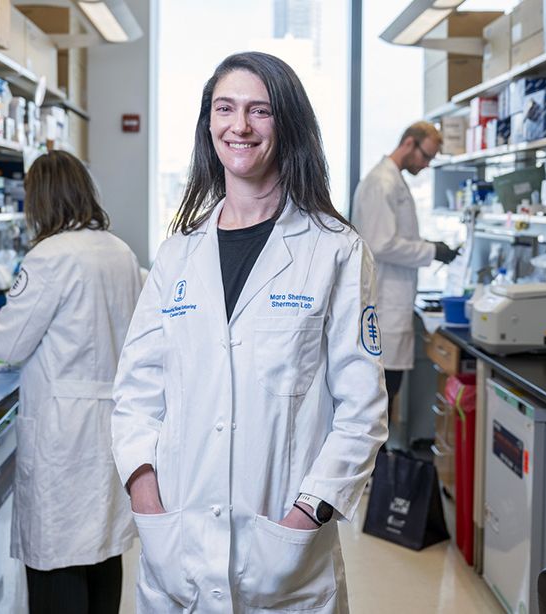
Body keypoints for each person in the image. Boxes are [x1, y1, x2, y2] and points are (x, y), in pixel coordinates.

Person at [111, 51, 388, 613]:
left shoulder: (334, 250)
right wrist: (148, 504)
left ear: (286, 124)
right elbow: (135, 395)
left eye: (259, 111)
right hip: (176, 551)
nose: (239, 126)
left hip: (286, 561)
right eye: (225, 108)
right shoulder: (177, 256)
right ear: (208, 124)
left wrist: (305, 514)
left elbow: (362, 412)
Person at [0, 151, 143, 614]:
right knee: (103, 550)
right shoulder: (119, 250)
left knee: (57, 558)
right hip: (110, 424)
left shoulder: (49, 256)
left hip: (63, 435)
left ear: (41, 199)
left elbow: (9, 344)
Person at [351, 121, 457, 418]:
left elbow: (397, 238)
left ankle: (382, 464)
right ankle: (379, 466)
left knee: (386, 400)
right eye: (426, 156)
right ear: (409, 143)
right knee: (378, 406)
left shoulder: (393, 180)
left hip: (393, 303)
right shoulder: (381, 183)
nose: (426, 165)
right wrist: (432, 251)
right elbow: (382, 244)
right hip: (384, 306)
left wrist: (428, 245)